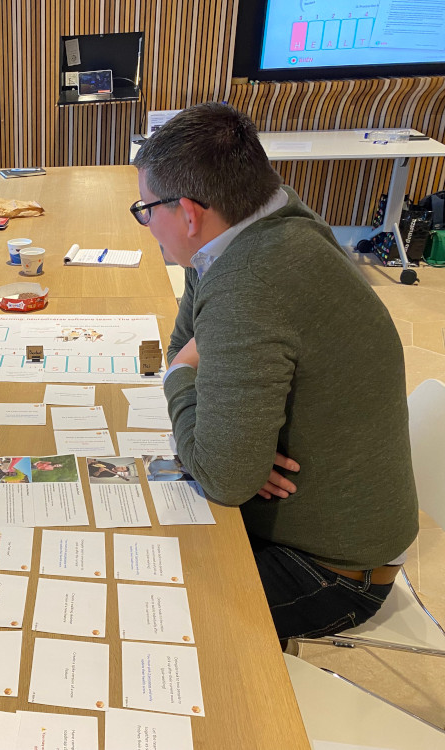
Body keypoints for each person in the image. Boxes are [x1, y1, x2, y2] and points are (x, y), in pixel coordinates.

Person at [133, 102, 419, 641]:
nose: (147, 224)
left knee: (143, 611)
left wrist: (181, 382)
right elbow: (191, 340)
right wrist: (229, 443)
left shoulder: (252, 283)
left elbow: (222, 475)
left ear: (189, 213)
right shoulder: (267, 216)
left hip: (334, 570)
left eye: (147, 209)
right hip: (334, 518)